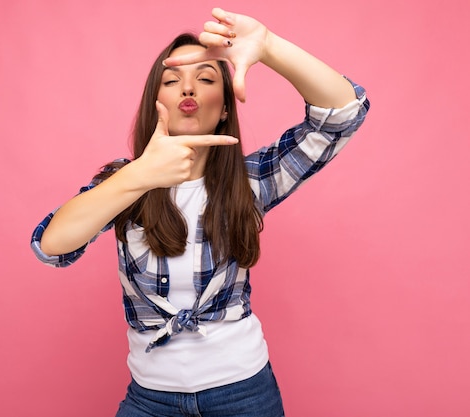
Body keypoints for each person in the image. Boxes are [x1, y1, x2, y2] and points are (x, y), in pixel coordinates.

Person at [31, 7, 369, 417]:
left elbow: (342, 115)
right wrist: (138, 176)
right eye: (172, 81)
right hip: (149, 398)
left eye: (206, 79)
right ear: (157, 102)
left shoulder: (250, 180)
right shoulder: (125, 183)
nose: (188, 90)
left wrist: (268, 46)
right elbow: (51, 247)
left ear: (224, 107)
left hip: (244, 393)